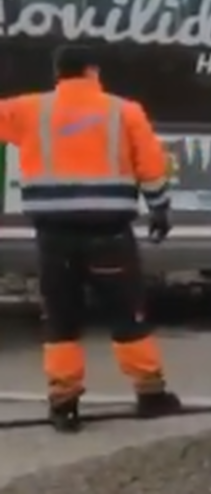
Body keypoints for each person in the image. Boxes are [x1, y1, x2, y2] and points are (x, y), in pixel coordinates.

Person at [0, 45, 182, 432]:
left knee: (61, 319)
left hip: (54, 237)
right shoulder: (123, 110)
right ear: (93, 71)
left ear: (58, 72)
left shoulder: (29, 109)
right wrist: (160, 209)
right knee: (127, 314)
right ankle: (150, 394)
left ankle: (64, 405)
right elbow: (150, 163)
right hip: (109, 233)